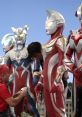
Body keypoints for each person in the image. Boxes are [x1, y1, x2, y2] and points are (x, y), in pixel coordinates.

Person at [29, 10, 67, 117]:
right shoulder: (46, 45)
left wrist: (57, 81)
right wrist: (40, 82)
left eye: (49, 22)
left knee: (59, 110)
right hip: (46, 83)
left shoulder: (60, 40)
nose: (46, 26)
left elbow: (63, 61)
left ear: (58, 23)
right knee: (49, 112)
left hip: (55, 82)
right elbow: (45, 67)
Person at [3, 25, 40, 117]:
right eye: (17, 35)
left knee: (32, 107)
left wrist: (35, 77)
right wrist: (6, 83)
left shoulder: (29, 50)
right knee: (16, 110)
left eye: (21, 34)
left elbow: (36, 60)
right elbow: (4, 70)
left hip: (28, 84)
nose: (19, 37)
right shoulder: (9, 54)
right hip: (14, 84)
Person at [64, 4, 82, 117]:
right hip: (78, 78)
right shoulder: (74, 34)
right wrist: (73, 69)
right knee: (77, 110)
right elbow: (66, 56)